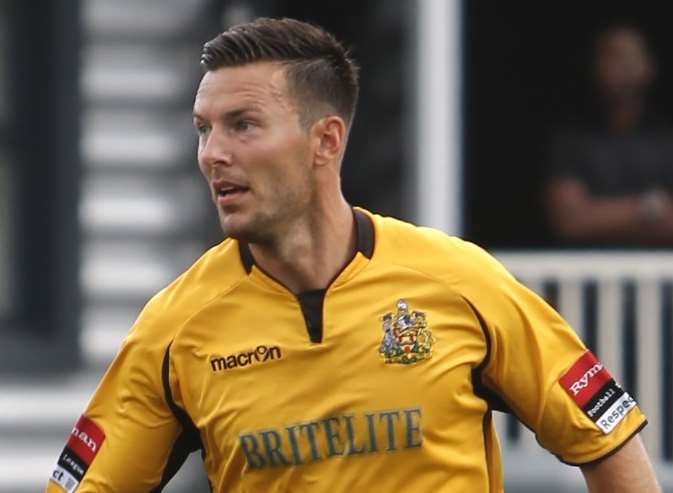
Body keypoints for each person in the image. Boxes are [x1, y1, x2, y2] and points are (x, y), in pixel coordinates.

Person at [47, 18, 659, 492]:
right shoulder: (174, 329)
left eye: (243, 124)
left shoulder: (459, 281)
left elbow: (609, 439)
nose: (212, 153)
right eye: (204, 128)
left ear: (326, 140)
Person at [545, 25, 673, 246]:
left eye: (632, 57)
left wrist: (605, 215)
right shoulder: (571, 140)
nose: (624, 68)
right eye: (614, 57)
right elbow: (571, 221)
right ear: (595, 66)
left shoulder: (666, 140)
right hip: (588, 273)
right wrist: (647, 207)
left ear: (650, 67)